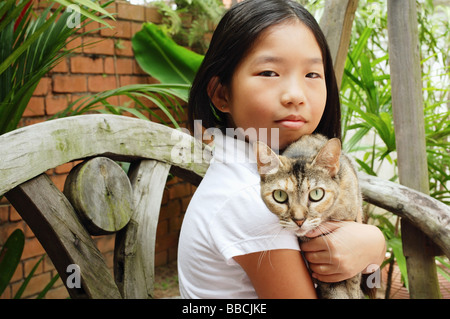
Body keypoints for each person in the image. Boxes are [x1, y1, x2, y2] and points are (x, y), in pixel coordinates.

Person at [178, 0, 386, 298]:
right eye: (269, 73)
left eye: (312, 75)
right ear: (221, 94)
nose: (295, 95)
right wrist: (375, 247)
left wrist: (371, 247)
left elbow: (365, 282)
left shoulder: (282, 172)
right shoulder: (254, 202)